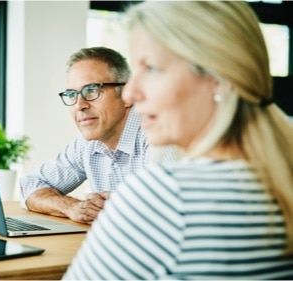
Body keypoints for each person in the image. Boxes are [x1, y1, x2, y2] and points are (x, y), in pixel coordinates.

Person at [64, 2, 293, 279]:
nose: (130, 93)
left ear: (216, 78)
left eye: (151, 69)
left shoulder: (166, 197)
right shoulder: (279, 181)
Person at [20, 46, 178, 224]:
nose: (80, 105)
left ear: (126, 95)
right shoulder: (87, 144)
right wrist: (70, 206)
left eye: (92, 90)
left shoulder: (157, 135)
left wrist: (122, 206)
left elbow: (164, 209)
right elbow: (29, 185)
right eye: (72, 94)